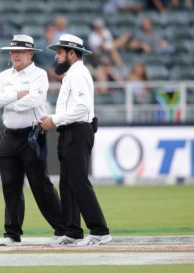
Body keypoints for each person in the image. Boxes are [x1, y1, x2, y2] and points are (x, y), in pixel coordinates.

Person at [0, 34, 65, 246]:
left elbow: (36, 99)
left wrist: (9, 100)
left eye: (20, 51)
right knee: (10, 186)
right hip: (9, 133)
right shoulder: (4, 75)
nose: (15, 55)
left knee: (41, 186)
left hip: (32, 134)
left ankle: (62, 229)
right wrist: (17, 96)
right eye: (13, 51)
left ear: (30, 53)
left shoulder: (39, 75)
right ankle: (12, 233)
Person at [40, 34, 112, 246]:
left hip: (77, 131)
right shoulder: (74, 73)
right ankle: (72, 231)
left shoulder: (78, 74)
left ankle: (100, 230)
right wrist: (56, 119)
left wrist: (54, 119)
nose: (56, 58)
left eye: (59, 54)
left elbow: (81, 108)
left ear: (72, 53)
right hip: (70, 131)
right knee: (68, 183)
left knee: (79, 182)